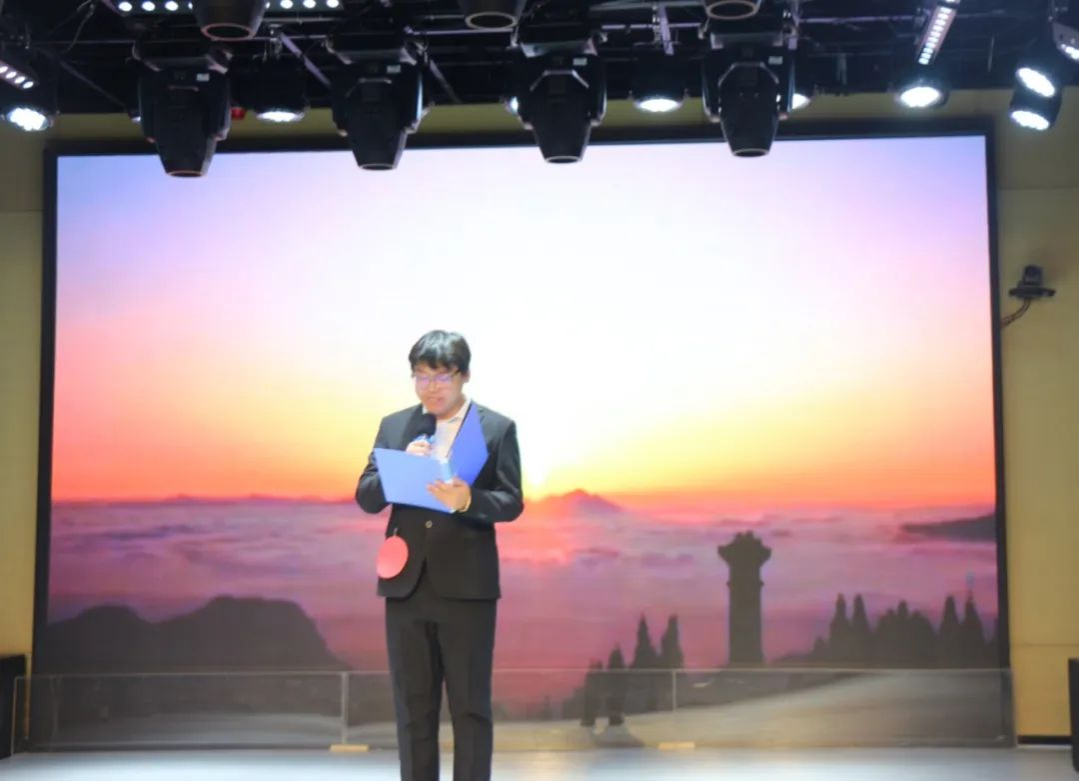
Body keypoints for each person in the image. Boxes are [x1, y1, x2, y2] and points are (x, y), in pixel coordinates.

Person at [356, 330, 524, 781]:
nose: (430, 387)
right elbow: (366, 496)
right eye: (421, 376)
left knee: (470, 708)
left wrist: (468, 500)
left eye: (441, 376)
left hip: (467, 587)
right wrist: (398, 469)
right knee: (413, 710)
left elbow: (511, 501)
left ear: (464, 375)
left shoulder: (495, 428)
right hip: (406, 586)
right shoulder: (395, 426)